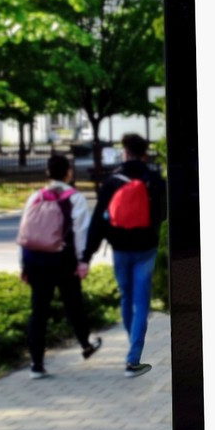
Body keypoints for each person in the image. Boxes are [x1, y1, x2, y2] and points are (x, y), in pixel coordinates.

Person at [84, 133, 167, 377]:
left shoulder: (112, 182)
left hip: (120, 248)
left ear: (124, 152)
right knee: (141, 302)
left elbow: (98, 221)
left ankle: (132, 346)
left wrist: (87, 254)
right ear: (144, 153)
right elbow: (162, 214)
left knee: (125, 298)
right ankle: (133, 359)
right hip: (146, 248)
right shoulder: (154, 180)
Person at [19, 154, 100, 377]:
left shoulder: (35, 197)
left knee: (38, 311)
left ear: (47, 173)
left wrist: (23, 264)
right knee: (73, 304)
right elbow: (80, 232)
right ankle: (86, 345)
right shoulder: (75, 198)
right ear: (68, 173)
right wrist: (83, 261)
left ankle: (36, 364)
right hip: (63, 260)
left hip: (35, 260)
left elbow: (25, 233)